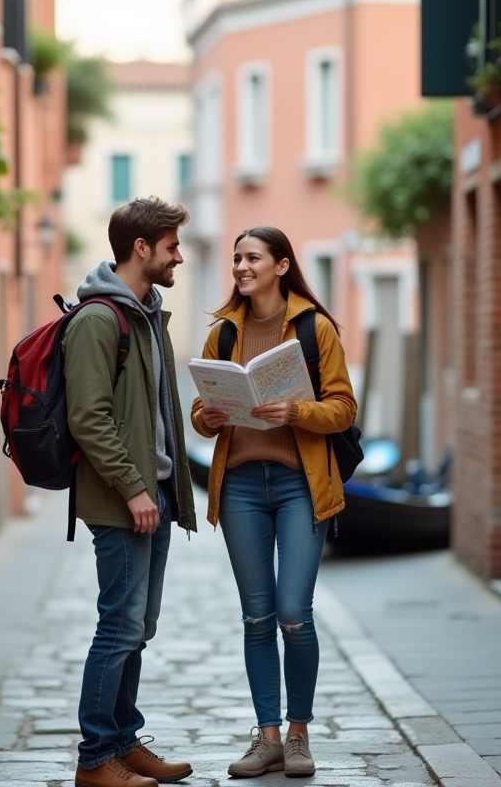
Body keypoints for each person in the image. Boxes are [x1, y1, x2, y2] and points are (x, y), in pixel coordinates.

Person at [190, 226, 357, 779]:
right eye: (237, 257)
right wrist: (207, 416)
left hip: (298, 485)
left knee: (293, 612)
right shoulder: (224, 333)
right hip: (240, 486)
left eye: (252, 257)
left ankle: (299, 733)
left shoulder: (315, 327)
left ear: (281, 265)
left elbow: (343, 408)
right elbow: (200, 410)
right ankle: (267, 738)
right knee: (257, 617)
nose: (241, 266)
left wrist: (297, 413)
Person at [64, 196, 198, 787]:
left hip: (155, 496)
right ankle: (95, 759)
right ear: (141, 248)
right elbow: (88, 418)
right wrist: (134, 489)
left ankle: (123, 741)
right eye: (171, 247)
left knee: (138, 626)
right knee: (118, 625)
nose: (179, 257)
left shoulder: (149, 313)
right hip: (125, 502)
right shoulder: (99, 319)